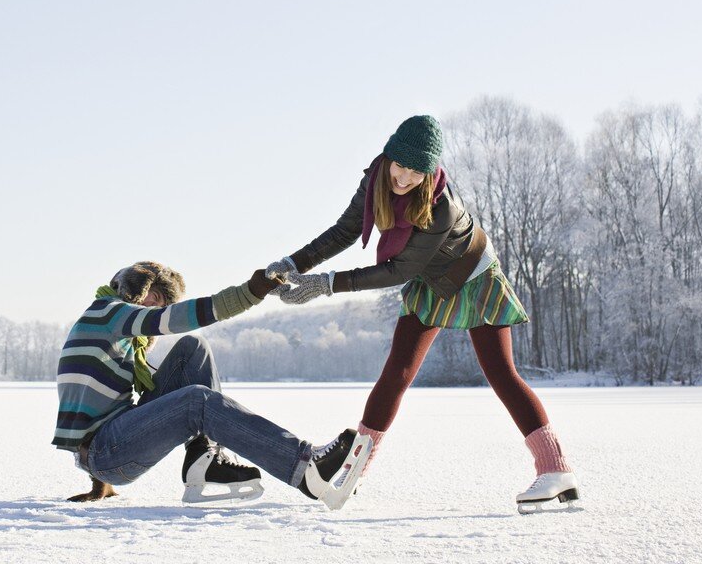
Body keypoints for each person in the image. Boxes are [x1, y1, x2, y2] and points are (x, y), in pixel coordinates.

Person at [266, 115, 580, 513]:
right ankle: (355, 469)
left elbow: (400, 270)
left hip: (474, 276)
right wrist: (296, 262)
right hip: (432, 279)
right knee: (397, 372)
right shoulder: (376, 178)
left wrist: (326, 284)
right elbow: (345, 229)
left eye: (417, 172)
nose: (405, 178)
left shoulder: (440, 206)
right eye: (401, 166)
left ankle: (556, 469)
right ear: (389, 156)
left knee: (501, 372)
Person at [53, 261, 360, 508]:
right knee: (196, 401)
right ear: (136, 288)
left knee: (192, 349)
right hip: (106, 450)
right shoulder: (109, 311)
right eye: (155, 299)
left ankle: (206, 457)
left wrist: (100, 482)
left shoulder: (110, 323)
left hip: (108, 446)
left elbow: (88, 405)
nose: (155, 308)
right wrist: (248, 293)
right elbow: (174, 318)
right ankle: (306, 470)